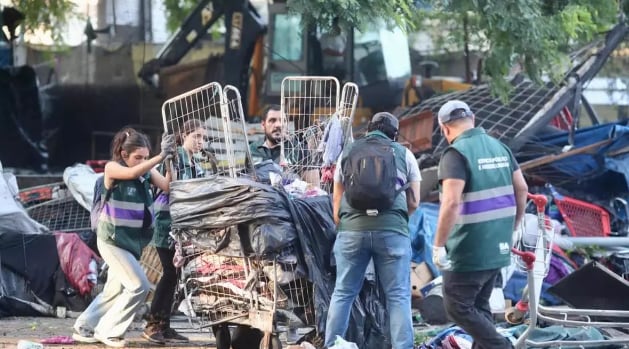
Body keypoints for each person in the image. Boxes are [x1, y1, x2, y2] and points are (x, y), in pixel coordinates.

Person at [433, 100, 528, 349]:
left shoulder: (455, 154)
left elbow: (451, 202)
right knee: (479, 308)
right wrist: (515, 226)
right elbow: (522, 188)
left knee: (457, 307)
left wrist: (438, 245)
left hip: (468, 248)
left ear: (444, 128)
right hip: (498, 245)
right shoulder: (500, 148)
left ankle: (501, 346)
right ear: (472, 119)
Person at [325, 112, 421, 349]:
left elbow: (336, 199)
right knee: (398, 296)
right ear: (394, 134)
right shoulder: (404, 153)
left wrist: (346, 223)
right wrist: (396, 222)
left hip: (352, 231)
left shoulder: (348, 151)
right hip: (392, 232)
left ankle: (332, 345)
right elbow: (415, 201)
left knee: (344, 292)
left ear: (368, 129)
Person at [72, 127, 175, 348]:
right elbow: (131, 174)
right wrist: (160, 156)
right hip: (112, 240)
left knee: (114, 289)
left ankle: (84, 326)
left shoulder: (146, 171)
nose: (142, 162)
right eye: (138, 157)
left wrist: (169, 161)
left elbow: (167, 186)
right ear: (123, 154)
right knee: (139, 286)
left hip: (131, 242)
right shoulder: (112, 168)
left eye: (145, 158)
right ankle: (109, 331)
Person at [142, 119, 206, 344]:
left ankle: (165, 325)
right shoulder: (173, 157)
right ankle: (152, 324)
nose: (200, 141)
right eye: (196, 136)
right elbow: (168, 186)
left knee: (175, 276)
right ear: (184, 135)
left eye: (203, 137)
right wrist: (167, 157)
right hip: (166, 224)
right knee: (169, 274)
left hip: (183, 226)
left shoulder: (196, 164)